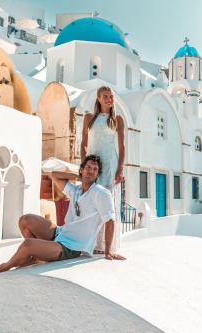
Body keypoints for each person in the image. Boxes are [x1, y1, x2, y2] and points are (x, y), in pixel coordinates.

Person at [0, 155, 125, 277]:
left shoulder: (101, 193)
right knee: (25, 220)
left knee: (28, 244)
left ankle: (4, 267)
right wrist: (80, 176)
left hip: (71, 246)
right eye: (88, 168)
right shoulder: (76, 189)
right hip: (61, 233)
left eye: (94, 169)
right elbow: (54, 175)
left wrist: (108, 250)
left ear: (98, 174)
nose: (91, 171)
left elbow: (110, 220)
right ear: (82, 169)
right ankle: (37, 255)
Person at [81, 86, 125, 253]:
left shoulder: (117, 119)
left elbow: (121, 146)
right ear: (98, 98)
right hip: (92, 163)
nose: (109, 99)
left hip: (109, 163)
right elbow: (83, 143)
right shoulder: (89, 118)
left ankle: (106, 246)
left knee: (107, 202)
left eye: (111, 96)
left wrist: (120, 168)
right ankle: (90, 243)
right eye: (105, 96)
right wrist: (83, 164)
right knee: (91, 201)